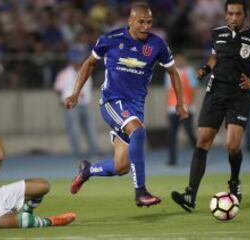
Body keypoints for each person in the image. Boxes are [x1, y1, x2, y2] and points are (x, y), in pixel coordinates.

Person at [64, 2, 188, 207]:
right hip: (112, 101)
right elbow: (89, 63)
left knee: (121, 166)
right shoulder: (110, 39)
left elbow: (173, 72)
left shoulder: (157, 44)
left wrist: (180, 103)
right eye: (141, 21)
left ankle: (87, 170)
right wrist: (75, 93)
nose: (146, 26)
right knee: (138, 132)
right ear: (130, 21)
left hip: (135, 107)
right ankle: (141, 192)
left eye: (149, 22)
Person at [171, 0, 250, 212]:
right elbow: (215, 56)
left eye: (238, 14)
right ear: (225, 14)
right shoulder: (217, 33)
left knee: (232, 145)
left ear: (245, 15)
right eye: (230, 14)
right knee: (202, 142)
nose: (233, 18)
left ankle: (234, 182)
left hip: (239, 96)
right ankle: (190, 195)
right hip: (215, 93)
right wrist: (206, 69)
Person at [54, 46, 102, 160]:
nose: (78, 62)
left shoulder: (86, 71)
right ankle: (78, 153)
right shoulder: (64, 73)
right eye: (76, 59)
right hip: (72, 107)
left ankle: (95, 150)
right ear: (71, 60)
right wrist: (66, 98)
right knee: (74, 130)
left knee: (90, 129)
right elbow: (57, 88)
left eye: (79, 59)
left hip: (85, 104)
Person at [165, 53, 198, 166]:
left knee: (190, 133)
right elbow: (168, 91)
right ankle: (172, 160)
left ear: (184, 60)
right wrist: (167, 108)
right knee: (171, 135)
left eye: (180, 59)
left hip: (186, 108)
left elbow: (193, 89)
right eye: (176, 59)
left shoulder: (189, 71)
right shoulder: (169, 73)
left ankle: (199, 156)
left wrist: (189, 106)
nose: (178, 61)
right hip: (172, 108)